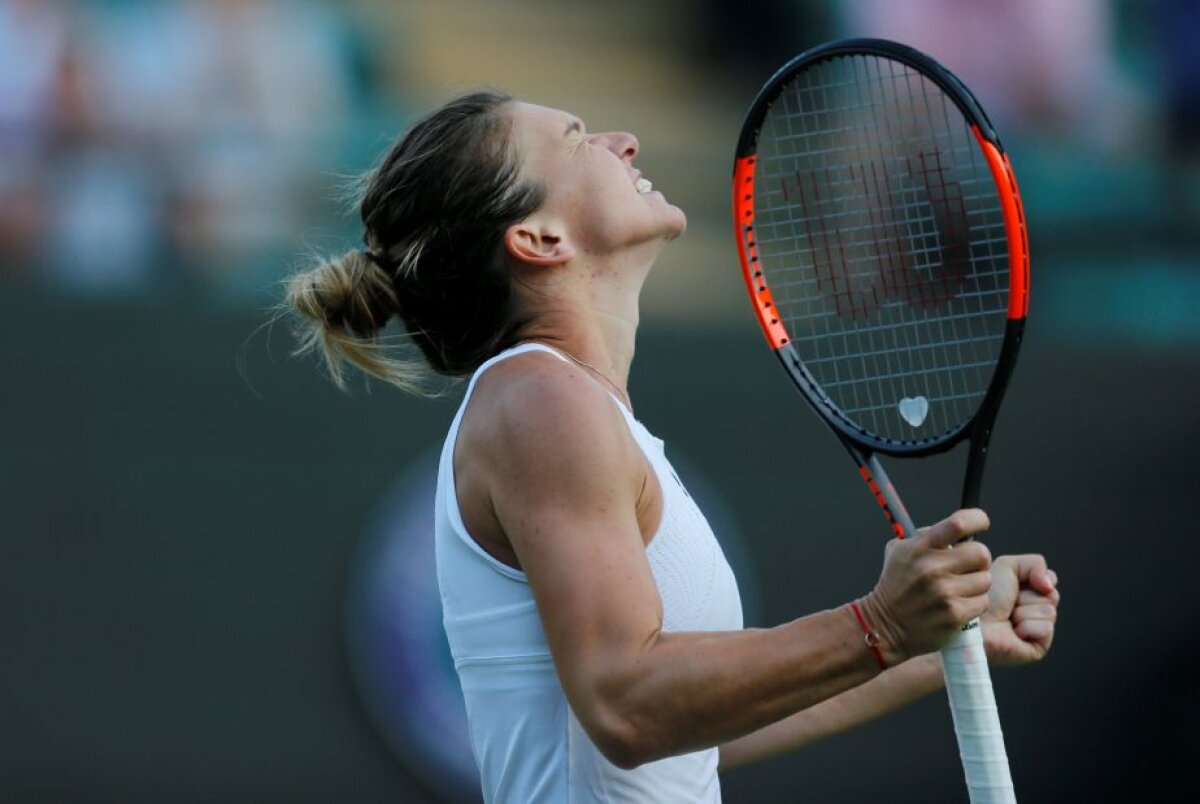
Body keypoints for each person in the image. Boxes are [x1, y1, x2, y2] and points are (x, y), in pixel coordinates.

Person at [285, 90, 1060, 802]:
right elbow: (628, 706)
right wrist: (879, 624)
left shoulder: (573, 409)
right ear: (539, 237)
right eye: (578, 138)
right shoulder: (540, 401)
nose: (623, 140)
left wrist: (938, 639)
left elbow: (692, 734)